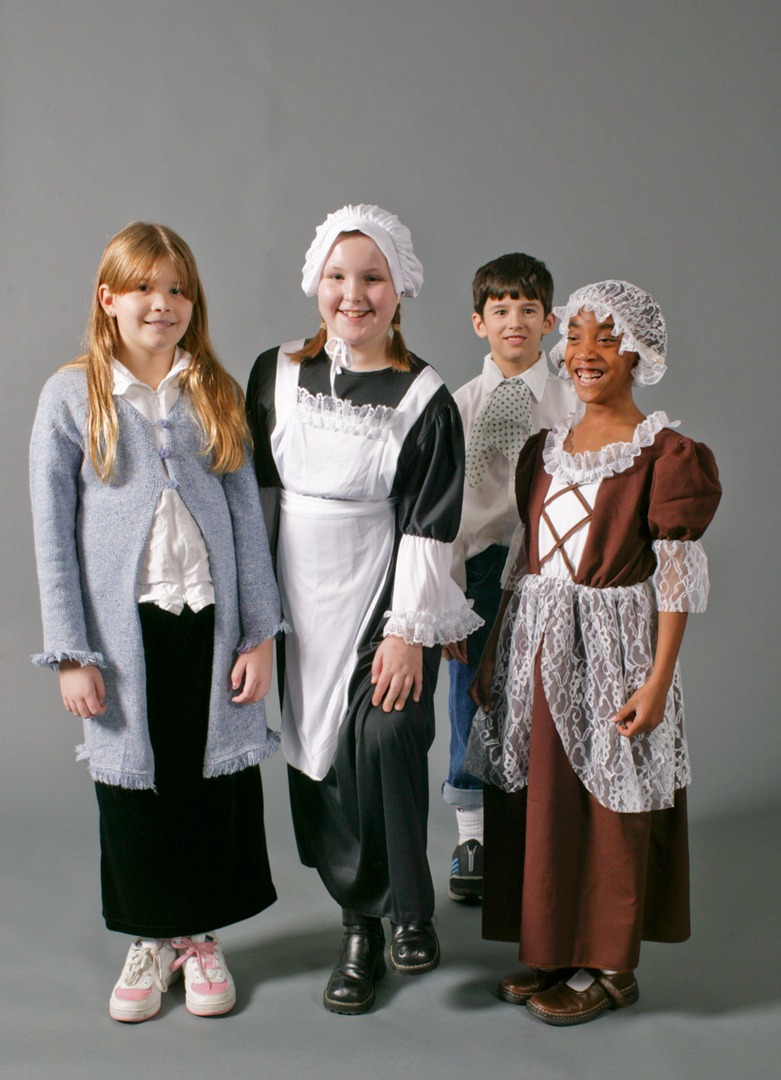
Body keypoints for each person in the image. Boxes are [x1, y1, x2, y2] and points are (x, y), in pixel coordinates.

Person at [30, 222, 285, 1023]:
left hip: (209, 624)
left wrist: (259, 634)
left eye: (177, 289)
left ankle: (200, 938)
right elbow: (53, 533)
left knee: (209, 777)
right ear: (108, 298)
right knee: (137, 787)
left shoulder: (213, 388)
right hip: (120, 633)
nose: (162, 303)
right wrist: (72, 652)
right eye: (143, 287)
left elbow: (247, 516)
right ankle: (150, 938)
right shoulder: (73, 395)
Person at [466, 280, 721, 1025]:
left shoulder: (665, 454)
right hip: (536, 641)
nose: (582, 353)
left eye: (603, 339)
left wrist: (656, 679)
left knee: (608, 802)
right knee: (544, 793)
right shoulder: (546, 450)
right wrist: (493, 658)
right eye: (573, 337)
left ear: (636, 353)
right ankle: (551, 943)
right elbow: (524, 560)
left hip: (614, 648)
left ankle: (609, 965)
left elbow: (673, 581)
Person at [246, 204, 481, 1015]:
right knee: (321, 767)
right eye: (338, 276)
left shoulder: (424, 398)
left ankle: (396, 917)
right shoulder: (272, 373)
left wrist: (408, 634)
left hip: (380, 595)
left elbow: (428, 523)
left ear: (399, 289)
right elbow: (256, 503)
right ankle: (363, 922)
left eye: (372, 277)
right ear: (316, 282)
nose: (354, 294)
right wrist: (253, 617)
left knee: (381, 739)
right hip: (296, 609)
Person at [443, 253, 576, 904]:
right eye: (500, 311)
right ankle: (472, 831)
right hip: (478, 564)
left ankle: (540, 822)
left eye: (528, 310)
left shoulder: (571, 398)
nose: (514, 322)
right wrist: (441, 591)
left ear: (549, 321)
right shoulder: (458, 406)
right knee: (469, 690)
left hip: (552, 563)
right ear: (478, 323)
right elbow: (441, 510)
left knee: (544, 692)